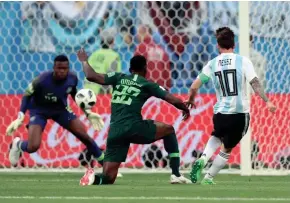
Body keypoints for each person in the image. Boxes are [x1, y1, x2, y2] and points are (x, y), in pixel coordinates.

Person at [77, 49, 191, 185]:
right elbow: (172, 99)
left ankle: (93, 178)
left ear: (130, 69)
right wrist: (185, 108)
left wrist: (84, 60)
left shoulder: (118, 77)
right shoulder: (147, 84)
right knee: (169, 130)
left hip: (115, 131)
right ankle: (176, 175)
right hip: (134, 127)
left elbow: (91, 75)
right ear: (145, 68)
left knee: (108, 177)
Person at [186, 27, 276, 185]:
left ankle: (203, 158)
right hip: (239, 113)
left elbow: (194, 86)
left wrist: (191, 99)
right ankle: (208, 178)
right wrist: (267, 100)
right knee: (226, 148)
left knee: (216, 135)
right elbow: (254, 82)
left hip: (220, 113)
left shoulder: (212, 63)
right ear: (234, 44)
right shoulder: (243, 61)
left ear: (218, 45)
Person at [6, 55, 105, 169]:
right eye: (59, 68)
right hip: (39, 111)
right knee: (33, 146)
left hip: (61, 110)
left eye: (65, 68)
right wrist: (20, 115)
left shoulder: (72, 78)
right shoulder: (41, 80)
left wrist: (88, 113)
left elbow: (74, 94)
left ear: (68, 68)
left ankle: (106, 167)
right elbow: (27, 95)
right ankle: (17, 144)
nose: (62, 71)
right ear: (54, 68)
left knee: (85, 136)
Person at [84, 27, 121, 95]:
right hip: (101, 94)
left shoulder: (94, 54)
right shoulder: (114, 56)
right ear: (112, 41)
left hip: (88, 92)